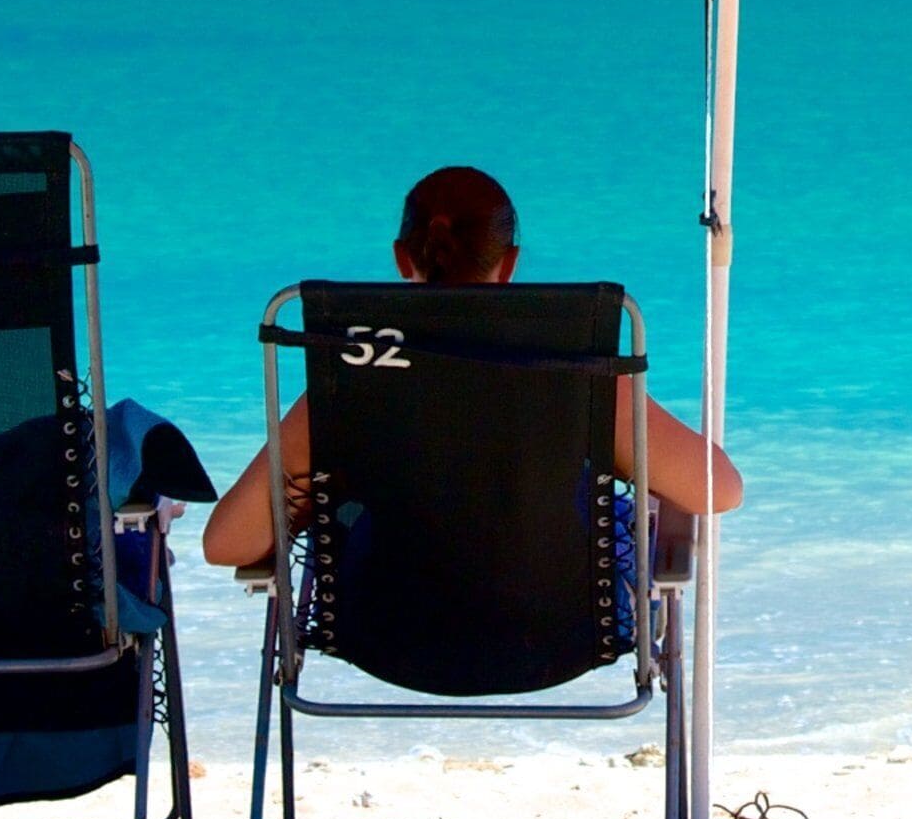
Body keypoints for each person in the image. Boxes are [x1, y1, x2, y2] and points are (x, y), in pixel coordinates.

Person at [199, 165, 744, 568]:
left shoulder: (350, 381)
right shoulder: (578, 376)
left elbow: (226, 545)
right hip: (557, 637)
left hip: (388, 639)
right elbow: (719, 491)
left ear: (400, 257)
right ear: (509, 263)